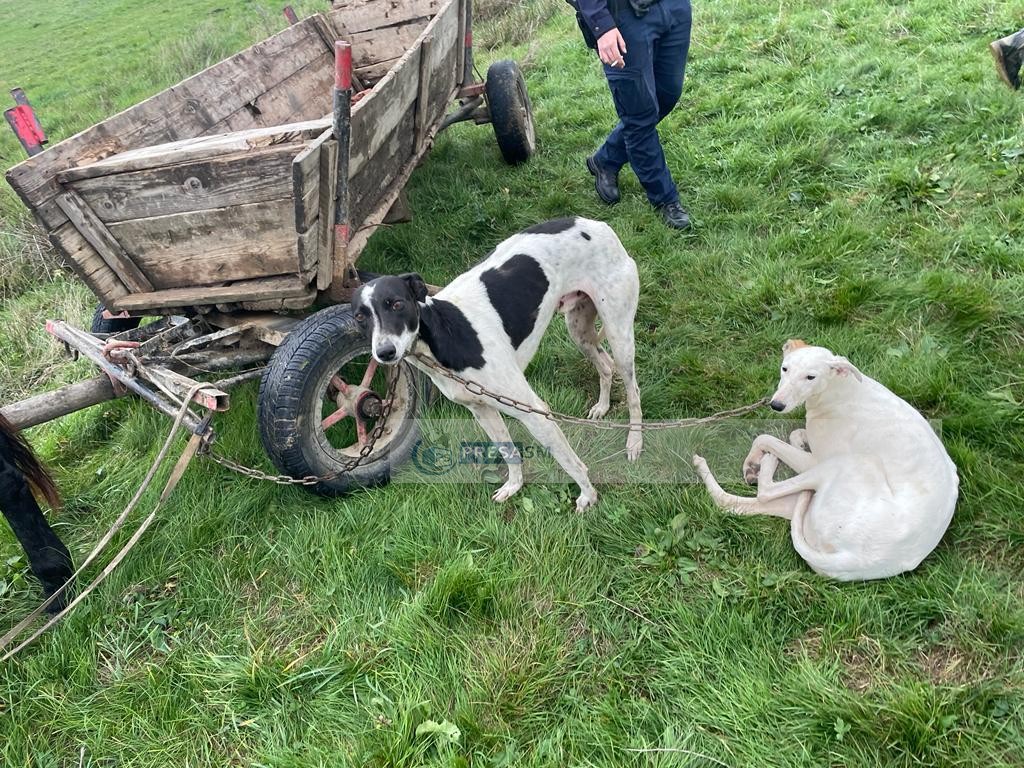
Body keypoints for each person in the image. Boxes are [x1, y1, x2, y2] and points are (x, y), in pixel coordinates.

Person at [575, 0, 693, 229]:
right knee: (639, 115)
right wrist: (602, 25)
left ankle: (606, 160)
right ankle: (665, 199)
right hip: (623, 17)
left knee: (667, 95)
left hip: (673, 7)